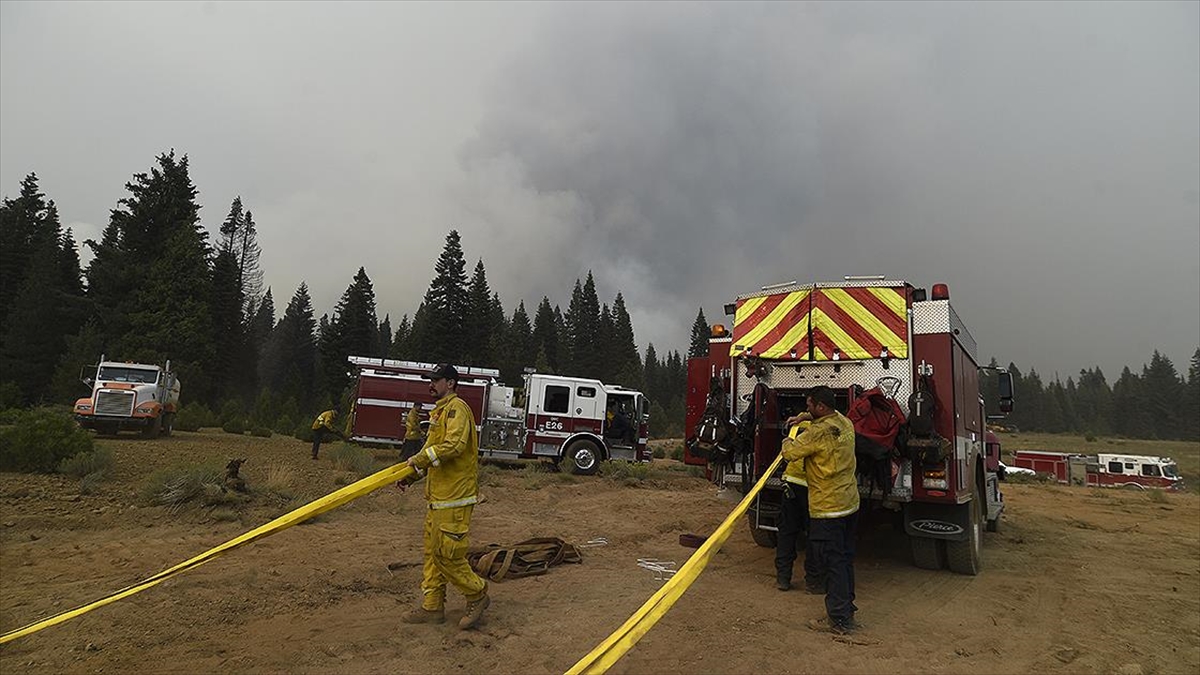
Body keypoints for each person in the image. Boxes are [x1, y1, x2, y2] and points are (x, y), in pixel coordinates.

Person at [401, 363, 492, 630]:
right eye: (430, 380)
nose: (431, 385)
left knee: (447, 554)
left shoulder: (457, 409)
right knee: (432, 555)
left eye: (436, 380)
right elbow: (432, 453)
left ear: (450, 383)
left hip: (455, 498)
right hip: (438, 498)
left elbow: (454, 446)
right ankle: (432, 607)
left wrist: (419, 459)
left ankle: (477, 593)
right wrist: (412, 475)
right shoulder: (439, 412)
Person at [781, 386, 859, 635]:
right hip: (849, 503)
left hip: (827, 508)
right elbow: (822, 418)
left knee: (832, 563)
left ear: (821, 407)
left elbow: (789, 453)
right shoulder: (844, 423)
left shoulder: (816, 433)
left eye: (810, 405)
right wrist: (804, 416)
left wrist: (788, 437)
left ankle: (839, 620)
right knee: (845, 560)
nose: (807, 408)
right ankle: (847, 608)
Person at [774, 416, 821, 594]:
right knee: (815, 534)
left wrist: (786, 440)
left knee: (787, 532)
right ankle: (813, 581)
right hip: (814, 488)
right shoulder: (826, 429)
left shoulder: (800, 425)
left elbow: (789, 452)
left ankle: (783, 577)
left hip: (792, 484)